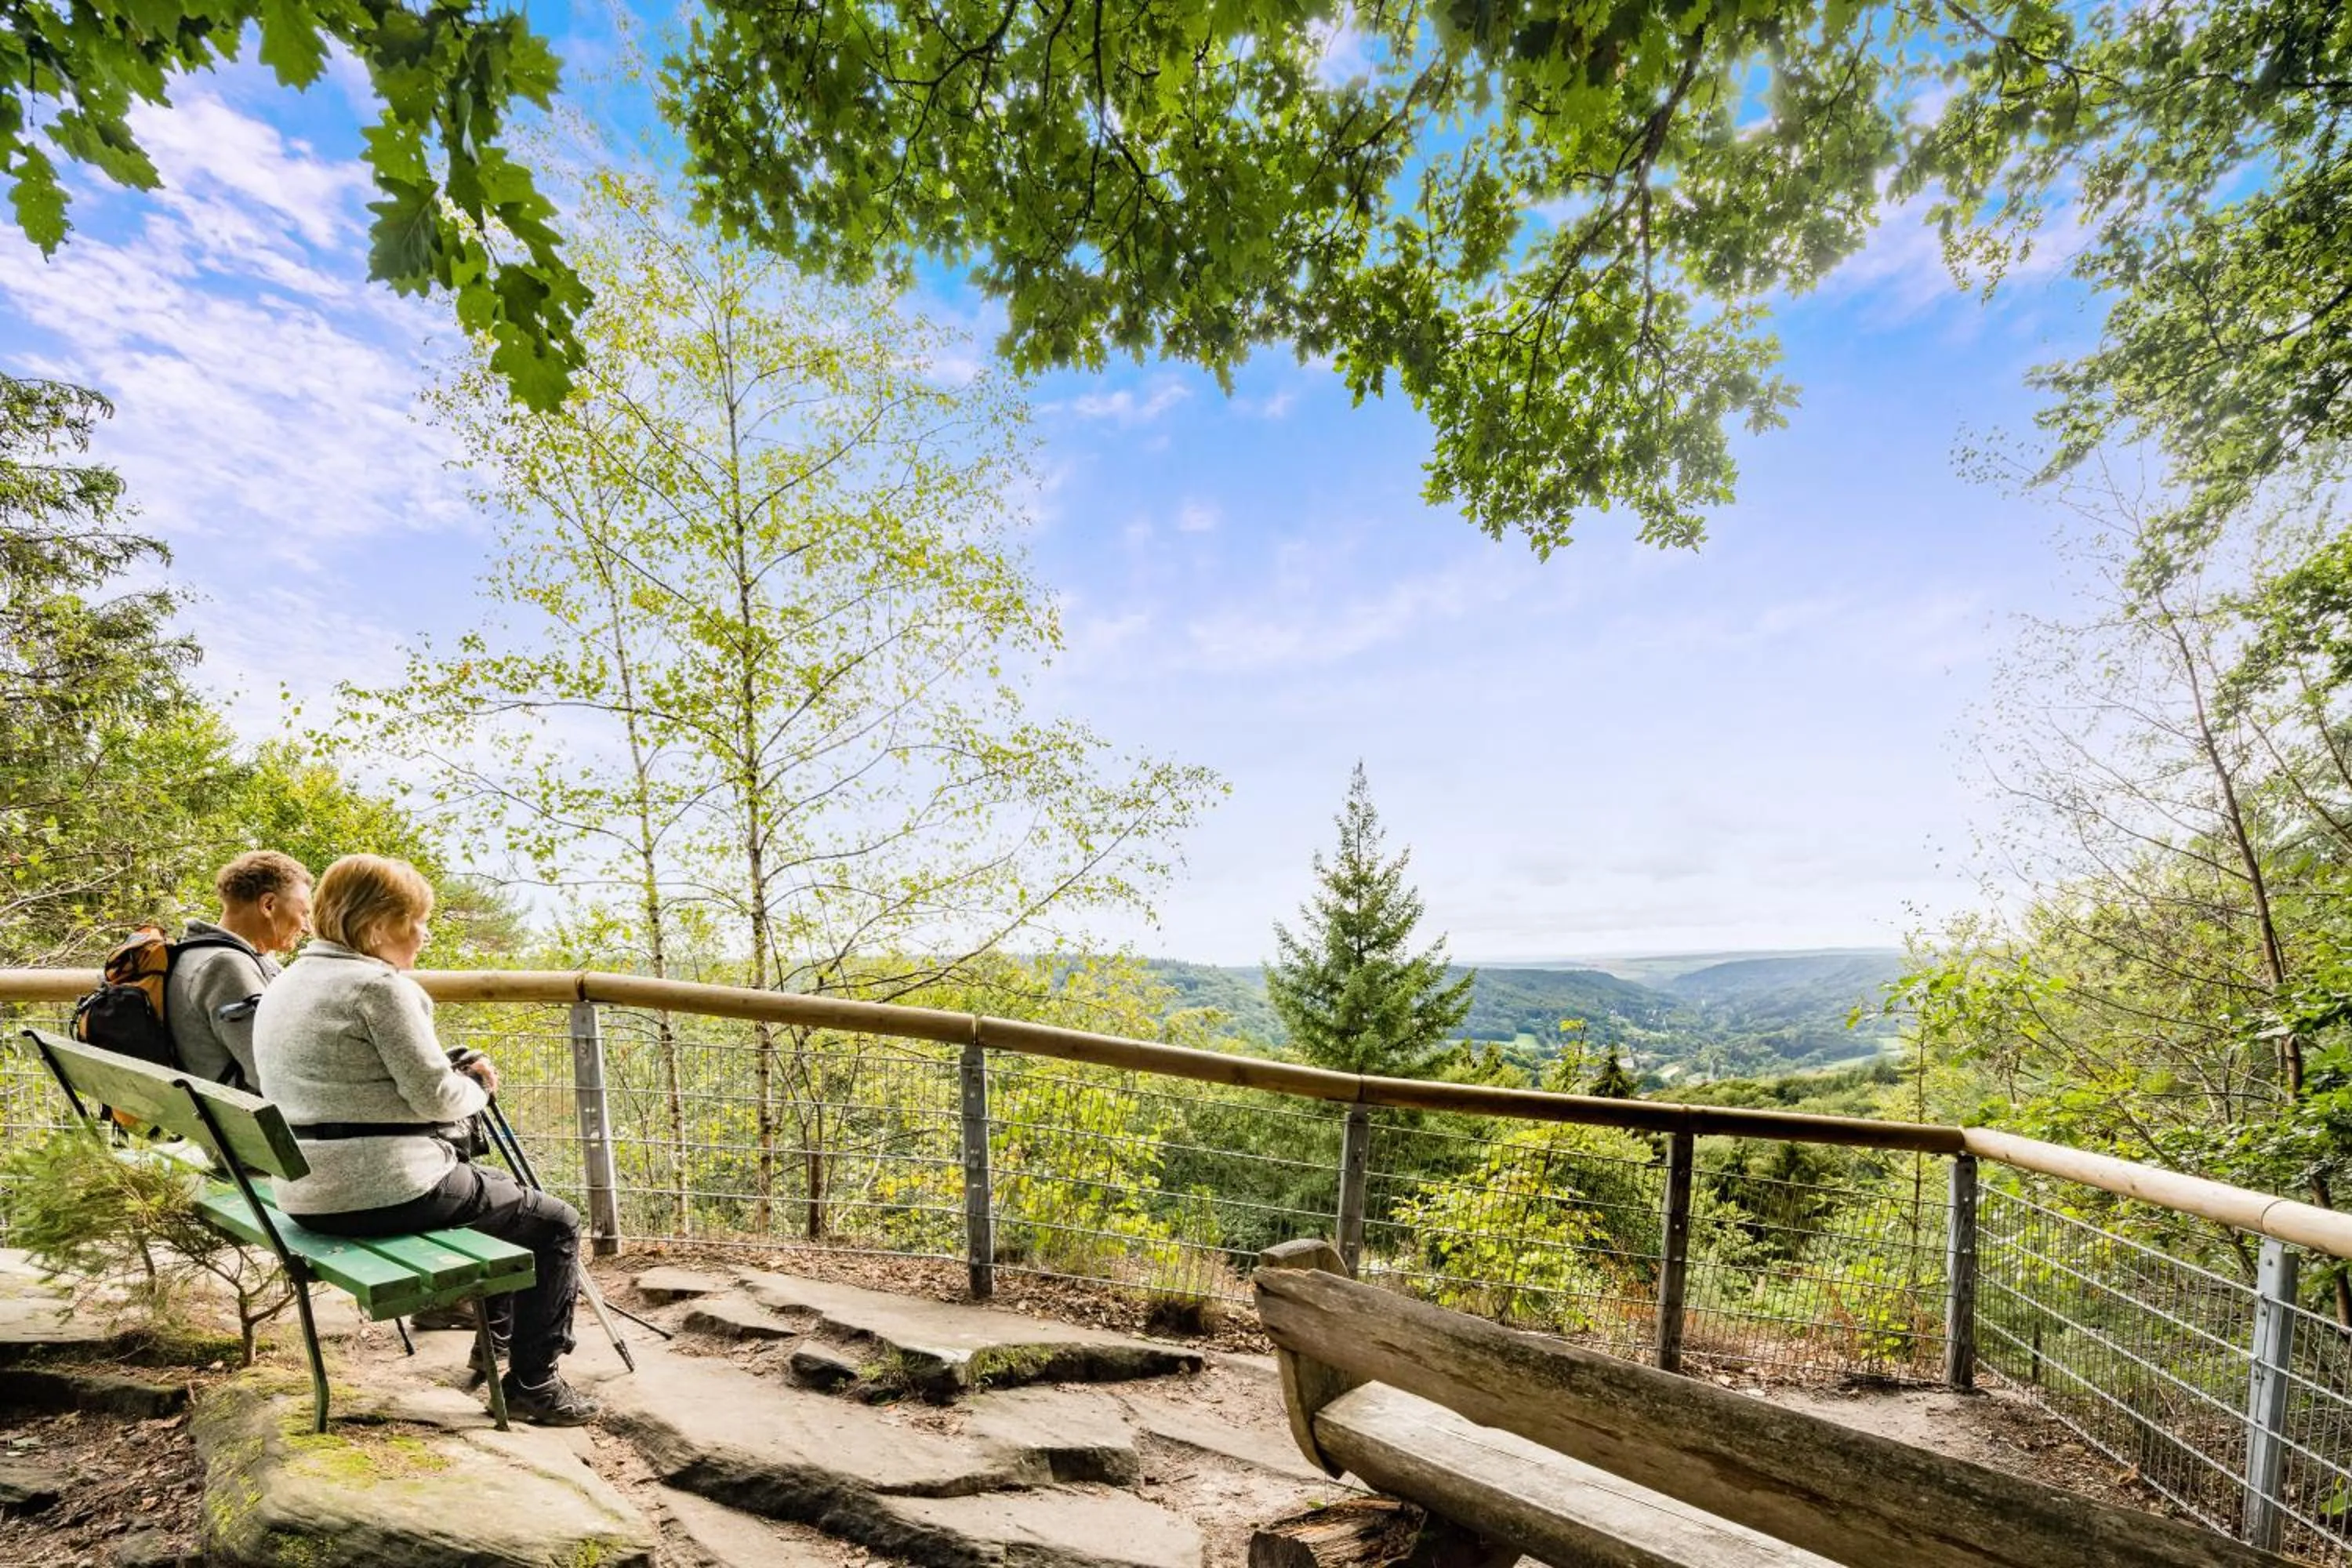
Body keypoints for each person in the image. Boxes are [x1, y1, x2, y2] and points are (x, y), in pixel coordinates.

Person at [252, 854, 598, 1426]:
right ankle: (533, 1384)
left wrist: (447, 1075)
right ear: (379, 923)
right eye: (416, 918)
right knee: (555, 1221)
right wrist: (479, 1087)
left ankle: (502, 1347)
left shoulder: (288, 981)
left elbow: (352, 1079)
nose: (425, 931)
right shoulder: (379, 987)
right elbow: (438, 1098)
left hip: (303, 1191)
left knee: (503, 1199)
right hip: (381, 1191)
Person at [165, 851, 312, 1091]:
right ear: (268, 905)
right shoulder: (226, 967)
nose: (308, 928)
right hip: (249, 1120)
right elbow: (272, 1075)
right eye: (304, 913)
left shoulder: (193, 951)